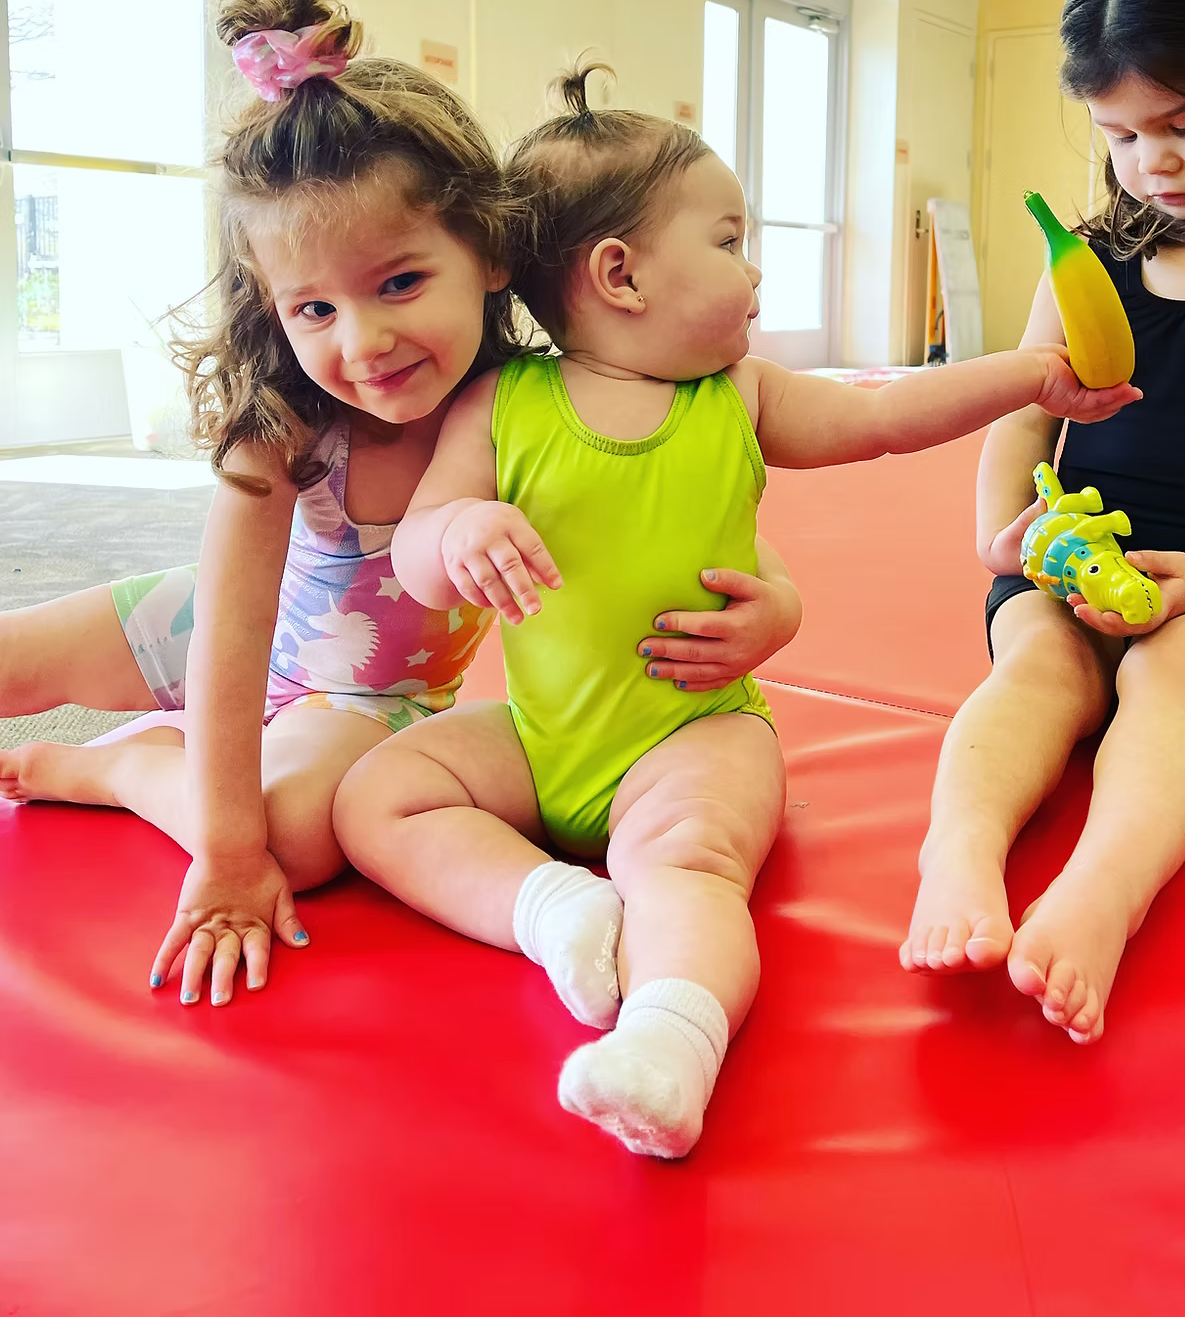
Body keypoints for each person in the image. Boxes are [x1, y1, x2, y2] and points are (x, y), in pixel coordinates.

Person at [332, 68, 1136, 1158]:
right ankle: (550, 911)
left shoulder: (740, 396)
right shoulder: (498, 403)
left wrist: (1027, 378)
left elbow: (885, 418)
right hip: (541, 734)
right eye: (727, 241)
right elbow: (421, 557)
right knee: (378, 796)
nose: (753, 271)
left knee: (692, 864)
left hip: (695, 732)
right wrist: (459, 534)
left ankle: (670, 1040)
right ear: (617, 274)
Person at [0, 0, 802, 1008]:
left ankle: (117, 769)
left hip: (365, 690)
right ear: (272, 306)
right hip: (207, 617)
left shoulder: (528, 406)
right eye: (315, 307)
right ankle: (168, 757)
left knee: (293, 834)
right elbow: (232, 634)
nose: (362, 343)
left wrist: (773, 604)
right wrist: (221, 853)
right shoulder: (286, 421)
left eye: (399, 285)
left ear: (487, 250)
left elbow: (694, 519)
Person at [903, 0, 1185, 1045]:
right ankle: (957, 854)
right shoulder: (1093, 261)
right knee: (1034, 671)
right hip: (1076, 557)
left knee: (1181, 674)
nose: (1149, 162)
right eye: (1119, 135)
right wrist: (1003, 535)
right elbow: (1021, 422)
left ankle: (1099, 894)